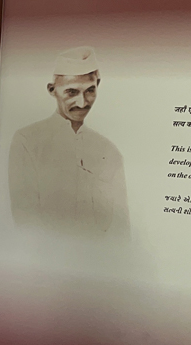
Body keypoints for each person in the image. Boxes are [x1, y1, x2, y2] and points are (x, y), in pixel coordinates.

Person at [9, 46, 130, 236]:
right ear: (52, 90)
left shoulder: (108, 150)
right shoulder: (28, 141)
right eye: (72, 92)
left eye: (90, 90)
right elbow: (24, 219)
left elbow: (121, 228)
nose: (83, 103)